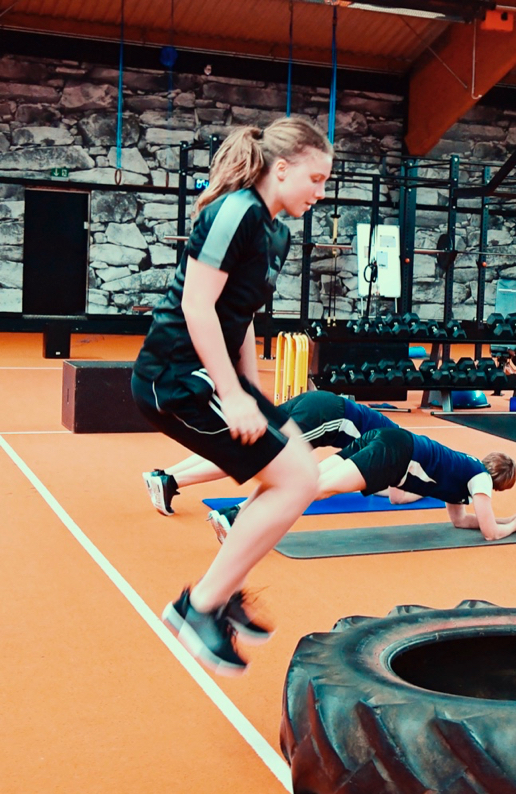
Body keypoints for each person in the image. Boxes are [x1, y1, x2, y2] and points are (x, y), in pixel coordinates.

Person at [131, 118, 333, 676]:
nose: (319, 193)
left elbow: (238, 315)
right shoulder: (235, 212)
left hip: (214, 375)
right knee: (294, 479)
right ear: (283, 167)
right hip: (174, 378)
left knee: (300, 469)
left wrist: (253, 390)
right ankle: (198, 607)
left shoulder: (276, 231)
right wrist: (230, 393)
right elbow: (198, 305)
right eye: (314, 179)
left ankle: (224, 590)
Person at [208, 428, 516, 544]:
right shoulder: (480, 479)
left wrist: (500, 521)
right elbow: (488, 532)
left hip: (387, 440)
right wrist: (512, 524)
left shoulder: (462, 473)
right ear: (500, 483)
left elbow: (460, 521)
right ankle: (238, 519)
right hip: (396, 452)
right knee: (312, 490)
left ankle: (233, 512)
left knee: (307, 481)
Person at [142, 389, 400, 515]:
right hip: (328, 416)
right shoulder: (405, 452)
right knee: (260, 456)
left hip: (321, 402)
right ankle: (172, 481)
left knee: (246, 442)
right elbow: (398, 494)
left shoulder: (402, 440)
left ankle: (164, 475)